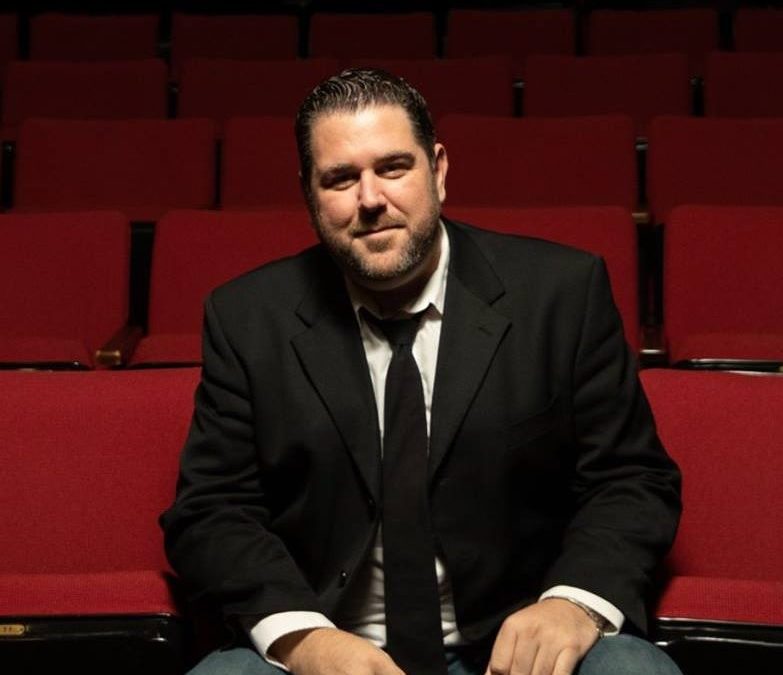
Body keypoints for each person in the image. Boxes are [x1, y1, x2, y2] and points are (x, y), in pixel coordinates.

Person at [161, 68, 683, 675]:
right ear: (309, 193)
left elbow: (631, 479)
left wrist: (573, 604)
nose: (370, 199)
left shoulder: (561, 294)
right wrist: (304, 640)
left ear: (437, 170)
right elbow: (211, 511)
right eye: (340, 178)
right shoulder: (247, 318)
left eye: (393, 168)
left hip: (517, 643)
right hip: (329, 643)